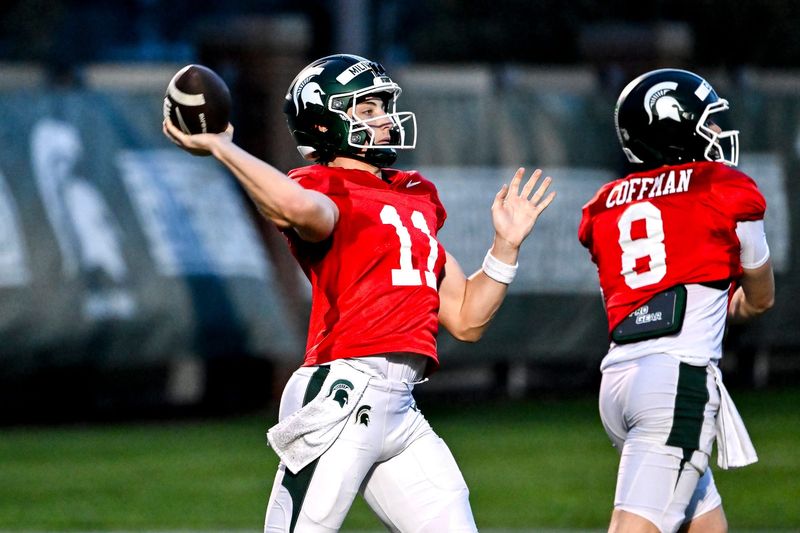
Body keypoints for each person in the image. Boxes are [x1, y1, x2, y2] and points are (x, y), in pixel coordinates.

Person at [164, 53, 555, 532]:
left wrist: (504, 248)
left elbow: (467, 318)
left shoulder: (415, 196)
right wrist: (222, 147)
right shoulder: (322, 185)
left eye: (382, 106)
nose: (385, 119)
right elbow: (298, 209)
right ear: (325, 124)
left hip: (401, 405)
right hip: (343, 393)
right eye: (366, 110)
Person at [578, 68, 775, 533]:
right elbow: (760, 295)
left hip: (619, 384)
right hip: (676, 380)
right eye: (707, 123)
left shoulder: (604, 205)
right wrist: (736, 304)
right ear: (674, 127)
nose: (717, 134)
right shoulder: (723, 189)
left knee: (708, 528)